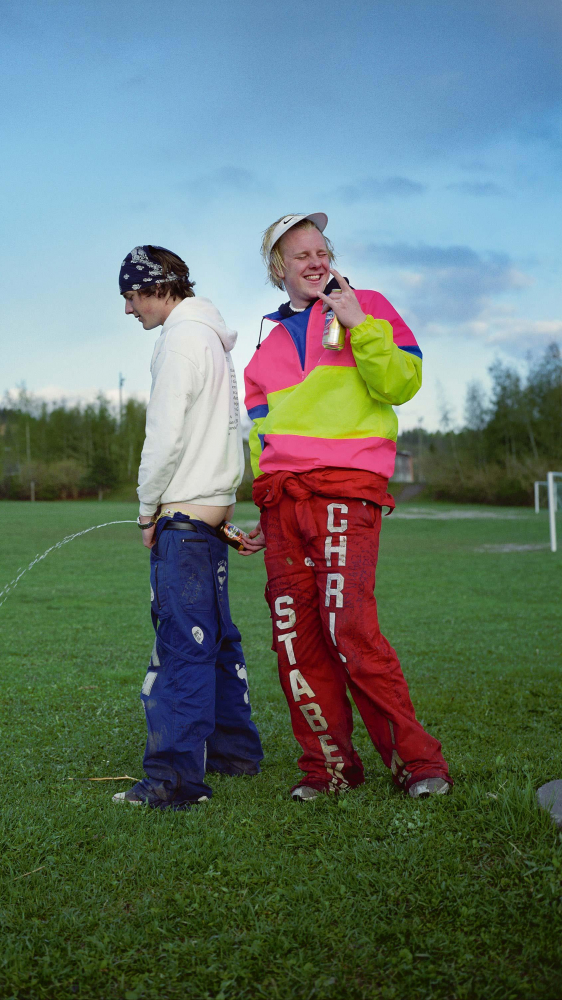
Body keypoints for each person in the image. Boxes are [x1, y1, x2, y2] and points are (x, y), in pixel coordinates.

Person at [243, 213, 452, 800]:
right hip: (284, 504)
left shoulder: (371, 306)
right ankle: (329, 769)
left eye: (321, 251)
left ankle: (418, 764)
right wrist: (262, 507)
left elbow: (401, 383)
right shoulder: (265, 342)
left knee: (349, 630)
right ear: (277, 268)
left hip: (345, 493)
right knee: (296, 642)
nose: (315, 262)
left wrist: (359, 323)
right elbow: (262, 436)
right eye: (299, 255)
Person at [112, 244, 264, 810]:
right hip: (209, 516)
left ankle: (173, 780)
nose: (129, 310)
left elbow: (167, 439)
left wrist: (147, 509)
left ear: (156, 287)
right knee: (217, 641)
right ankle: (233, 754)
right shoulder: (213, 339)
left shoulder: (178, 341)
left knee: (181, 647)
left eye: (130, 296)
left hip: (182, 523)